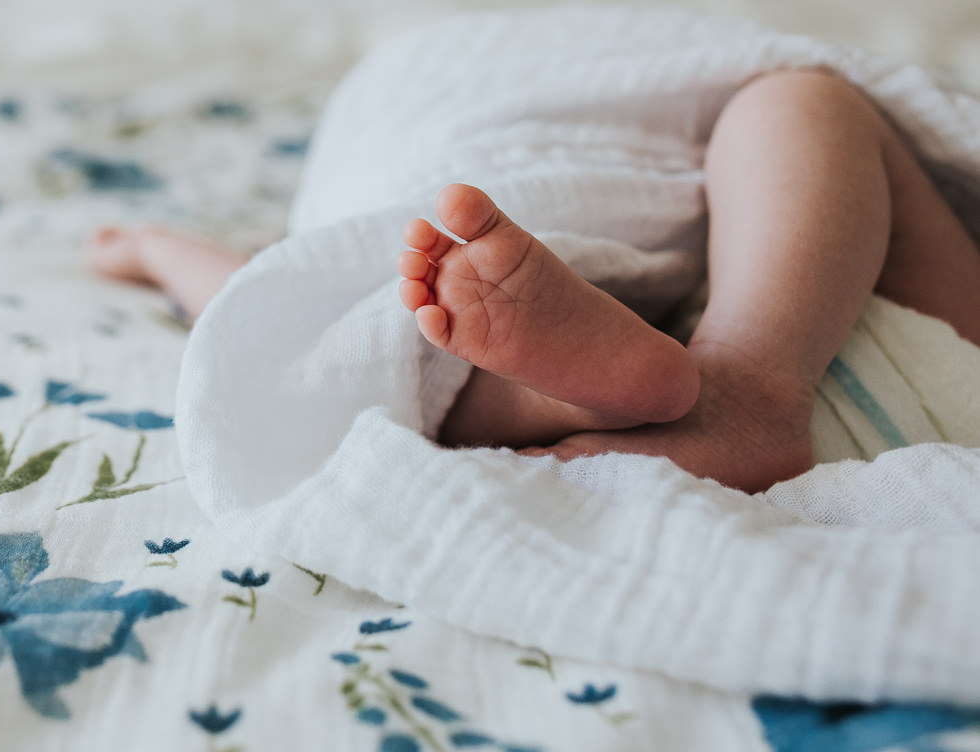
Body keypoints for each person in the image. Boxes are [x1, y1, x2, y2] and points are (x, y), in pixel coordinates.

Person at [89, 67, 980, 493]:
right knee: (796, 108)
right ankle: (649, 388)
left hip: (763, 373)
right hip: (942, 360)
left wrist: (162, 250)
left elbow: (264, 311)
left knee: (373, 353)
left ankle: (695, 387)